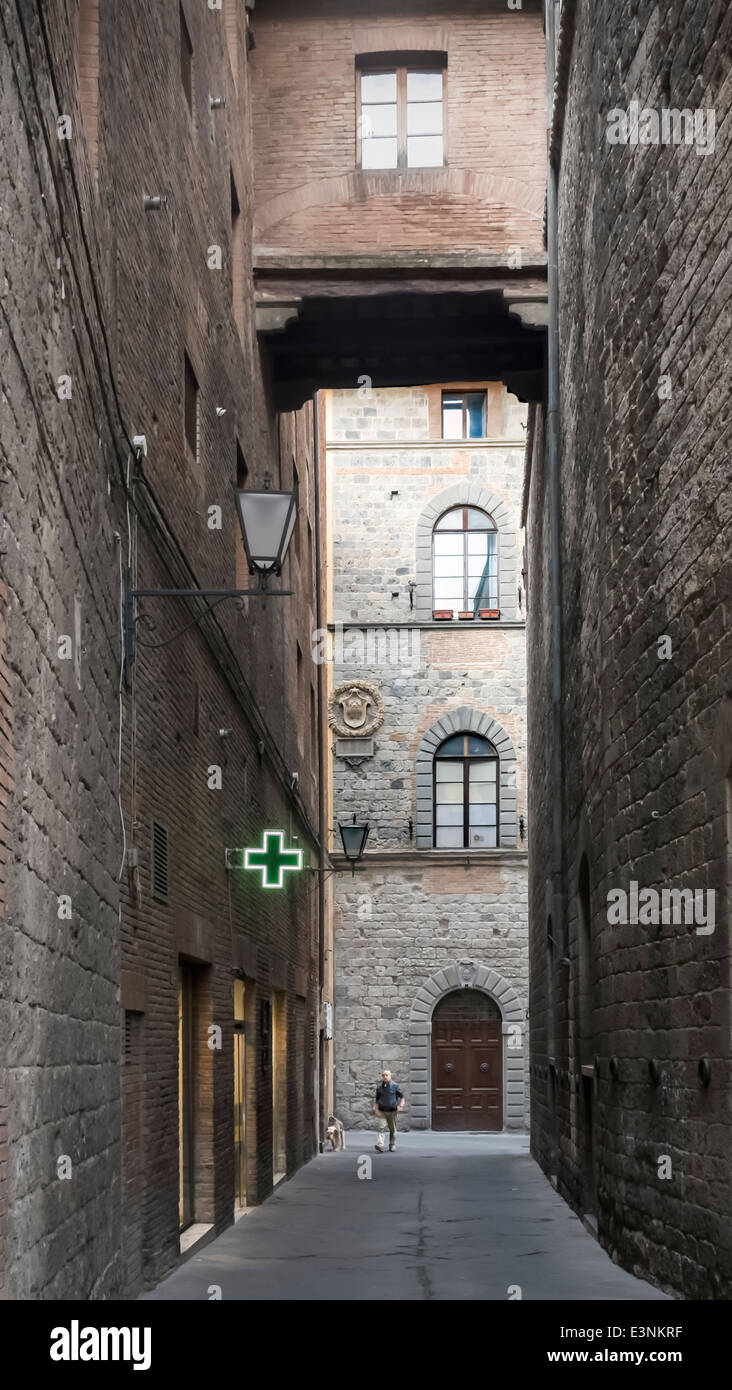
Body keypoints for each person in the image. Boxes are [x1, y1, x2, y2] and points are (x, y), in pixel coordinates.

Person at [373, 1069, 405, 1152]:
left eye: (387, 1075)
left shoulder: (395, 1086)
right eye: (383, 1075)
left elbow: (402, 1097)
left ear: (390, 1076)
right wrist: (376, 1109)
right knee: (381, 1128)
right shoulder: (379, 1088)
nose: (385, 1077)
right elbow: (377, 1100)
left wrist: (400, 1105)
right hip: (382, 1111)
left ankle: (392, 1145)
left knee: (392, 1129)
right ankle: (380, 1145)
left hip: (392, 1111)